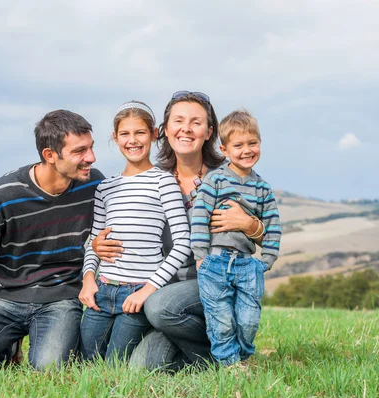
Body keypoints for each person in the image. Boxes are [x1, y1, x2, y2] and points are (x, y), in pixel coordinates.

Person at [91, 91, 265, 370]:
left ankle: (229, 349)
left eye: (196, 122)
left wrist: (250, 225)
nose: (186, 128)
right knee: (142, 367)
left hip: (214, 281)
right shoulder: (153, 179)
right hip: (164, 285)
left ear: (209, 132)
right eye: (179, 121)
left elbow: (265, 231)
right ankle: (210, 354)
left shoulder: (230, 174)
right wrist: (99, 246)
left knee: (160, 308)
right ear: (166, 130)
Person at [0, 110, 104, 373]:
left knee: (50, 369)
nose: (91, 157)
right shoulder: (2, 197)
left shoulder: (93, 184)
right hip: (3, 296)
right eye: (80, 151)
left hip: (61, 297)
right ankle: (7, 345)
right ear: (50, 155)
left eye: (91, 147)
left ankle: (14, 343)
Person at [78, 101, 191, 362]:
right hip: (102, 290)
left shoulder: (164, 182)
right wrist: (88, 279)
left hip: (139, 292)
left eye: (140, 133)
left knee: (114, 364)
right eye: (125, 134)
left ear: (153, 134)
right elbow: (95, 241)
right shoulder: (105, 187)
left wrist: (148, 290)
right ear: (115, 138)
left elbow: (183, 242)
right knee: (84, 362)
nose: (133, 141)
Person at [191, 109, 281, 366]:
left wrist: (266, 259)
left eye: (252, 143)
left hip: (246, 264)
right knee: (220, 319)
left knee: (248, 319)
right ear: (224, 149)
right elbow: (199, 217)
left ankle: (243, 356)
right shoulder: (216, 179)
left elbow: (273, 223)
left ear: (260, 143)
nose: (246, 150)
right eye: (238, 145)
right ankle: (228, 365)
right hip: (215, 262)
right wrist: (200, 257)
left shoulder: (262, 188)